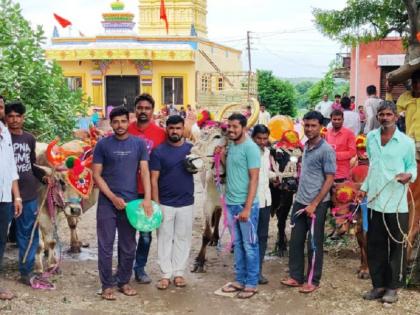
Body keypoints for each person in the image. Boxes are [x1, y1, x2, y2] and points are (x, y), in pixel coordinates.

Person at [357, 101, 417, 303]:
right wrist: (363, 189)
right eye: (381, 114)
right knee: (375, 246)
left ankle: (392, 288)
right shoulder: (371, 138)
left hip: (397, 203)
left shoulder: (406, 142)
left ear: (395, 117)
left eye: (388, 114)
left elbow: (413, 168)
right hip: (375, 202)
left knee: (397, 246)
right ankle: (378, 285)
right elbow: (372, 168)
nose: (384, 118)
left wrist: (409, 175)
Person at [92, 106, 153, 300]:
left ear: (129, 121)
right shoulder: (102, 145)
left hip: (131, 203)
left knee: (128, 245)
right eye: (116, 122)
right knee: (105, 244)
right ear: (111, 123)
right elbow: (96, 175)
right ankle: (107, 285)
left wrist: (147, 199)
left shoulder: (139, 144)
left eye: (123, 121)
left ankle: (124, 282)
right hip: (107, 203)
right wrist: (112, 197)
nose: (120, 125)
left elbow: (144, 172)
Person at [281, 111, 336, 293]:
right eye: (307, 125)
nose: (310, 129)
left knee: (313, 242)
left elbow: (329, 179)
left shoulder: (326, 150)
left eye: (313, 126)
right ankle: (296, 276)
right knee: (296, 240)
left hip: (317, 204)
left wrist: (314, 203)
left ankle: (313, 279)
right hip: (300, 201)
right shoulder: (305, 146)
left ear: (321, 127)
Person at [5, 102, 51, 287]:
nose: (14, 119)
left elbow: (31, 164)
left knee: (29, 233)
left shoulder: (29, 139)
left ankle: (27, 270)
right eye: (11, 116)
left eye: (18, 116)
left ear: (23, 118)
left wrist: (44, 176)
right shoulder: (3, 137)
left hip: (29, 193)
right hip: (5, 194)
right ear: (5, 118)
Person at [150, 115, 194, 290]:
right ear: (166, 129)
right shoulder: (158, 152)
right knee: (164, 238)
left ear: (183, 129)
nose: (174, 131)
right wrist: (156, 204)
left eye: (178, 128)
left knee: (182, 238)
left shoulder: (192, 150)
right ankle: (165, 274)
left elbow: (203, 166)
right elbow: (154, 180)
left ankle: (179, 273)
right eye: (171, 128)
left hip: (186, 202)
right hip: (165, 203)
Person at [220, 113, 260, 299]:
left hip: (246, 205)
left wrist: (247, 208)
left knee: (249, 244)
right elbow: (230, 171)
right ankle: (240, 279)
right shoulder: (231, 146)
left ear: (244, 128)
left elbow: (254, 179)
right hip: (231, 204)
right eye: (229, 126)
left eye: (235, 127)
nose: (231, 130)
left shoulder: (251, 148)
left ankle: (251, 283)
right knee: (237, 243)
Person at [128, 93, 166, 284]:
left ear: (152, 111)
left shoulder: (160, 134)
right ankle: (124, 268)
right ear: (135, 110)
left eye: (147, 108)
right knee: (126, 233)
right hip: (126, 189)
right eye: (140, 108)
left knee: (145, 233)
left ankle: (140, 269)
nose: (143, 111)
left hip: (148, 190)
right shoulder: (125, 130)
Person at [0, 95, 22, 300]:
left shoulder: (5, 132)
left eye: (0, 107)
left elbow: (11, 168)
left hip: (5, 198)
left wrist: (17, 198)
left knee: (1, 242)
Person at [252, 125, 275, 284]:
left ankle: (258, 271)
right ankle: (249, 272)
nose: (262, 142)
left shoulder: (267, 152)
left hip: (266, 201)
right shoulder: (246, 152)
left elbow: (265, 174)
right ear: (253, 138)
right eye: (258, 138)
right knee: (249, 239)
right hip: (251, 202)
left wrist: (280, 175)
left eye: (264, 139)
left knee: (262, 237)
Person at [325, 110, 356, 182]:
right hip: (328, 172)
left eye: (339, 119)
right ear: (331, 120)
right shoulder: (327, 132)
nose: (337, 121)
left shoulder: (349, 134)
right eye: (334, 119)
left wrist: (335, 155)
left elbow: (352, 152)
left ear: (343, 120)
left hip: (342, 173)